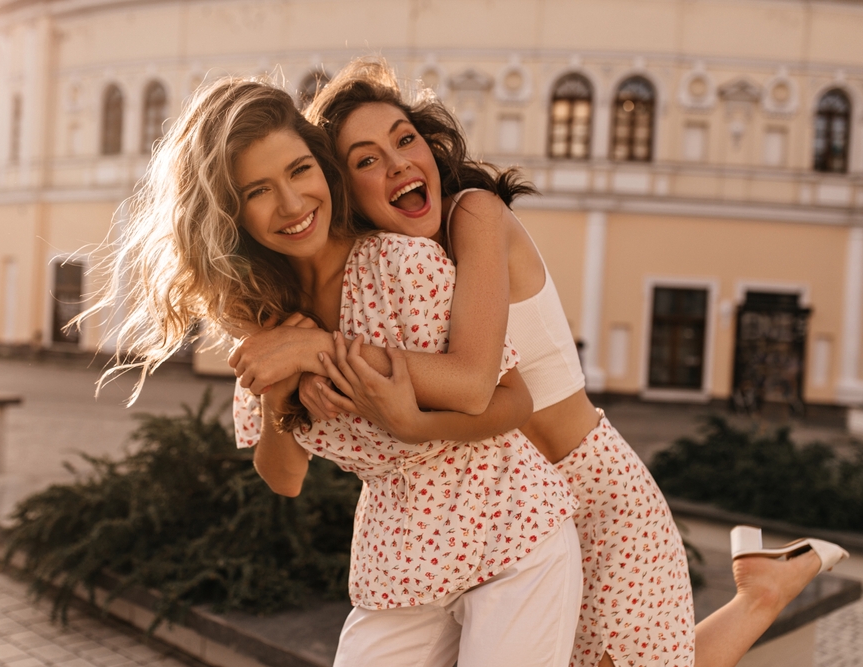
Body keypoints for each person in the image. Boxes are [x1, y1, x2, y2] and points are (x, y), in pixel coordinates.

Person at [229, 58, 848, 667]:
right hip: (489, 510)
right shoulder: (380, 270)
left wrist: (324, 356)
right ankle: (763, 587)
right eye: (366, 160)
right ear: (344, 191)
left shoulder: (473, 216)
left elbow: (474, 383)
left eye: (405, 139)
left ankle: (762, 595)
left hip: (588, 489)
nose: (398, 165)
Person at [86, 74, 583, 667]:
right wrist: (280, 393)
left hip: (513, 537)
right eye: (258, 191)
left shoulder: (400, 264)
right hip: (400, 564)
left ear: (323, 168)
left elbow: (501, 397)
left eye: (300, 171)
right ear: (229, 214)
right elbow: (283, 477)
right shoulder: (266, 319)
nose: (293, 205)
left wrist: (319, 352)